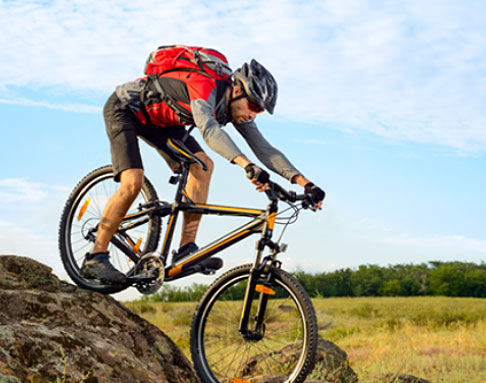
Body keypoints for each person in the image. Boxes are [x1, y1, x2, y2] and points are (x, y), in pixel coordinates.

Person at [81, 50, 325, 284]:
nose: (253, 115)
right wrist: (245, 165)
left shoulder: (237, 108)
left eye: (259, 110)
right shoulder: (204, 86)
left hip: (162, 122)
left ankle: (186, 250)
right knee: (133, 181)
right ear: (238, 89)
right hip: (126, 110)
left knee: (203, 167)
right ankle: (95, 256)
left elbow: (263, 148)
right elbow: (209, 130)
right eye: (254, 106)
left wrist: (306, 183)